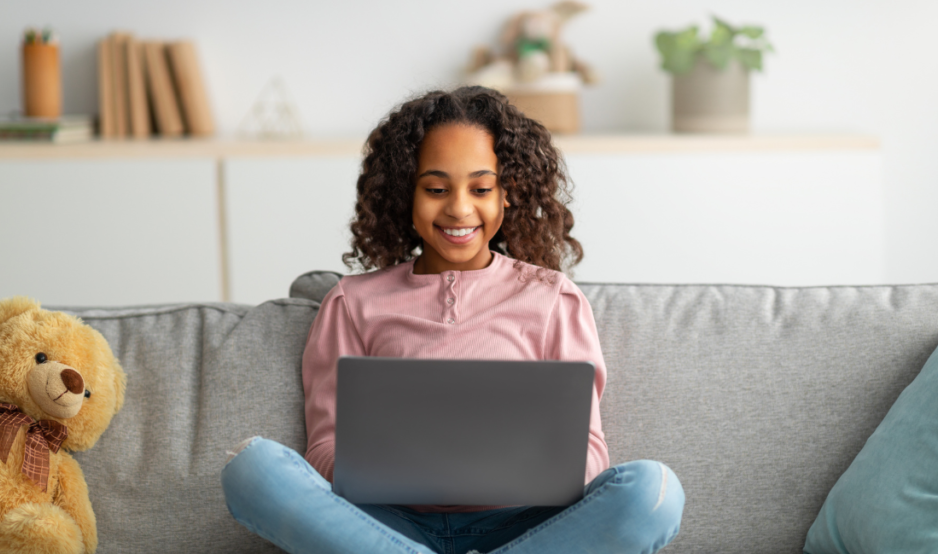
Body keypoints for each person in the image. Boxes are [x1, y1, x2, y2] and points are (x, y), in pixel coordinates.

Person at [220, 86, 684, 554]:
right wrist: (403, 467)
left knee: (654, 491)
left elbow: (589, 452)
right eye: (436, 189)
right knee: (252, 470)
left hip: (524, 525)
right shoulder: (350, 303)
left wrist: (507, 468)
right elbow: (323, 450)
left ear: (508, 195)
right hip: (386, 526)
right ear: (406, 195)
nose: (460, 208)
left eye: (481, 189)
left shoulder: (553, 299)